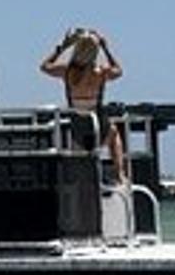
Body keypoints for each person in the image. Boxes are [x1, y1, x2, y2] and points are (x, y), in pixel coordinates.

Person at [39, 26, 127, 181]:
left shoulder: (67, 71)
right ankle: (119, 173)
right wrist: (106, 49)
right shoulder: (99, 72)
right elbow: (118, 71)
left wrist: (61, 48)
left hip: (78, 125)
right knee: (113, 133)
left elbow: (44, 67)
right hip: (98, 124)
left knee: (79, 146)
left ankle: (80, 179)